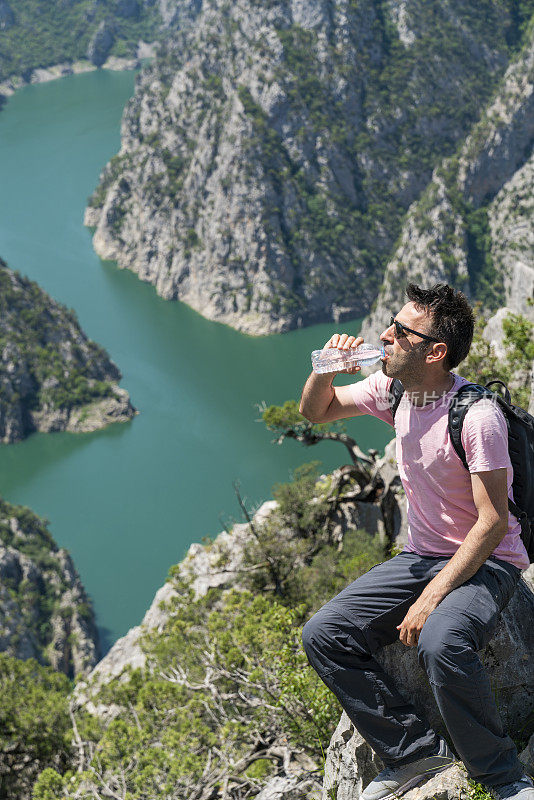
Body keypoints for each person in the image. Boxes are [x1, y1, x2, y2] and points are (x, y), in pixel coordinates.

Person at [299, 283, 532, 800]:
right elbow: (317, 411)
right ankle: (415, 752)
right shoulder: (396, 390)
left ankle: (504, 778)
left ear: (435, 351)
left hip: (488, 560)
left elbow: (492, 522)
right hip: (420, 556)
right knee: (322, 633)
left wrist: (432, 598)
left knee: (442, 639)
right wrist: (325, 368)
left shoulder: (477, 416)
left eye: (401, 331)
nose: (385, 336)